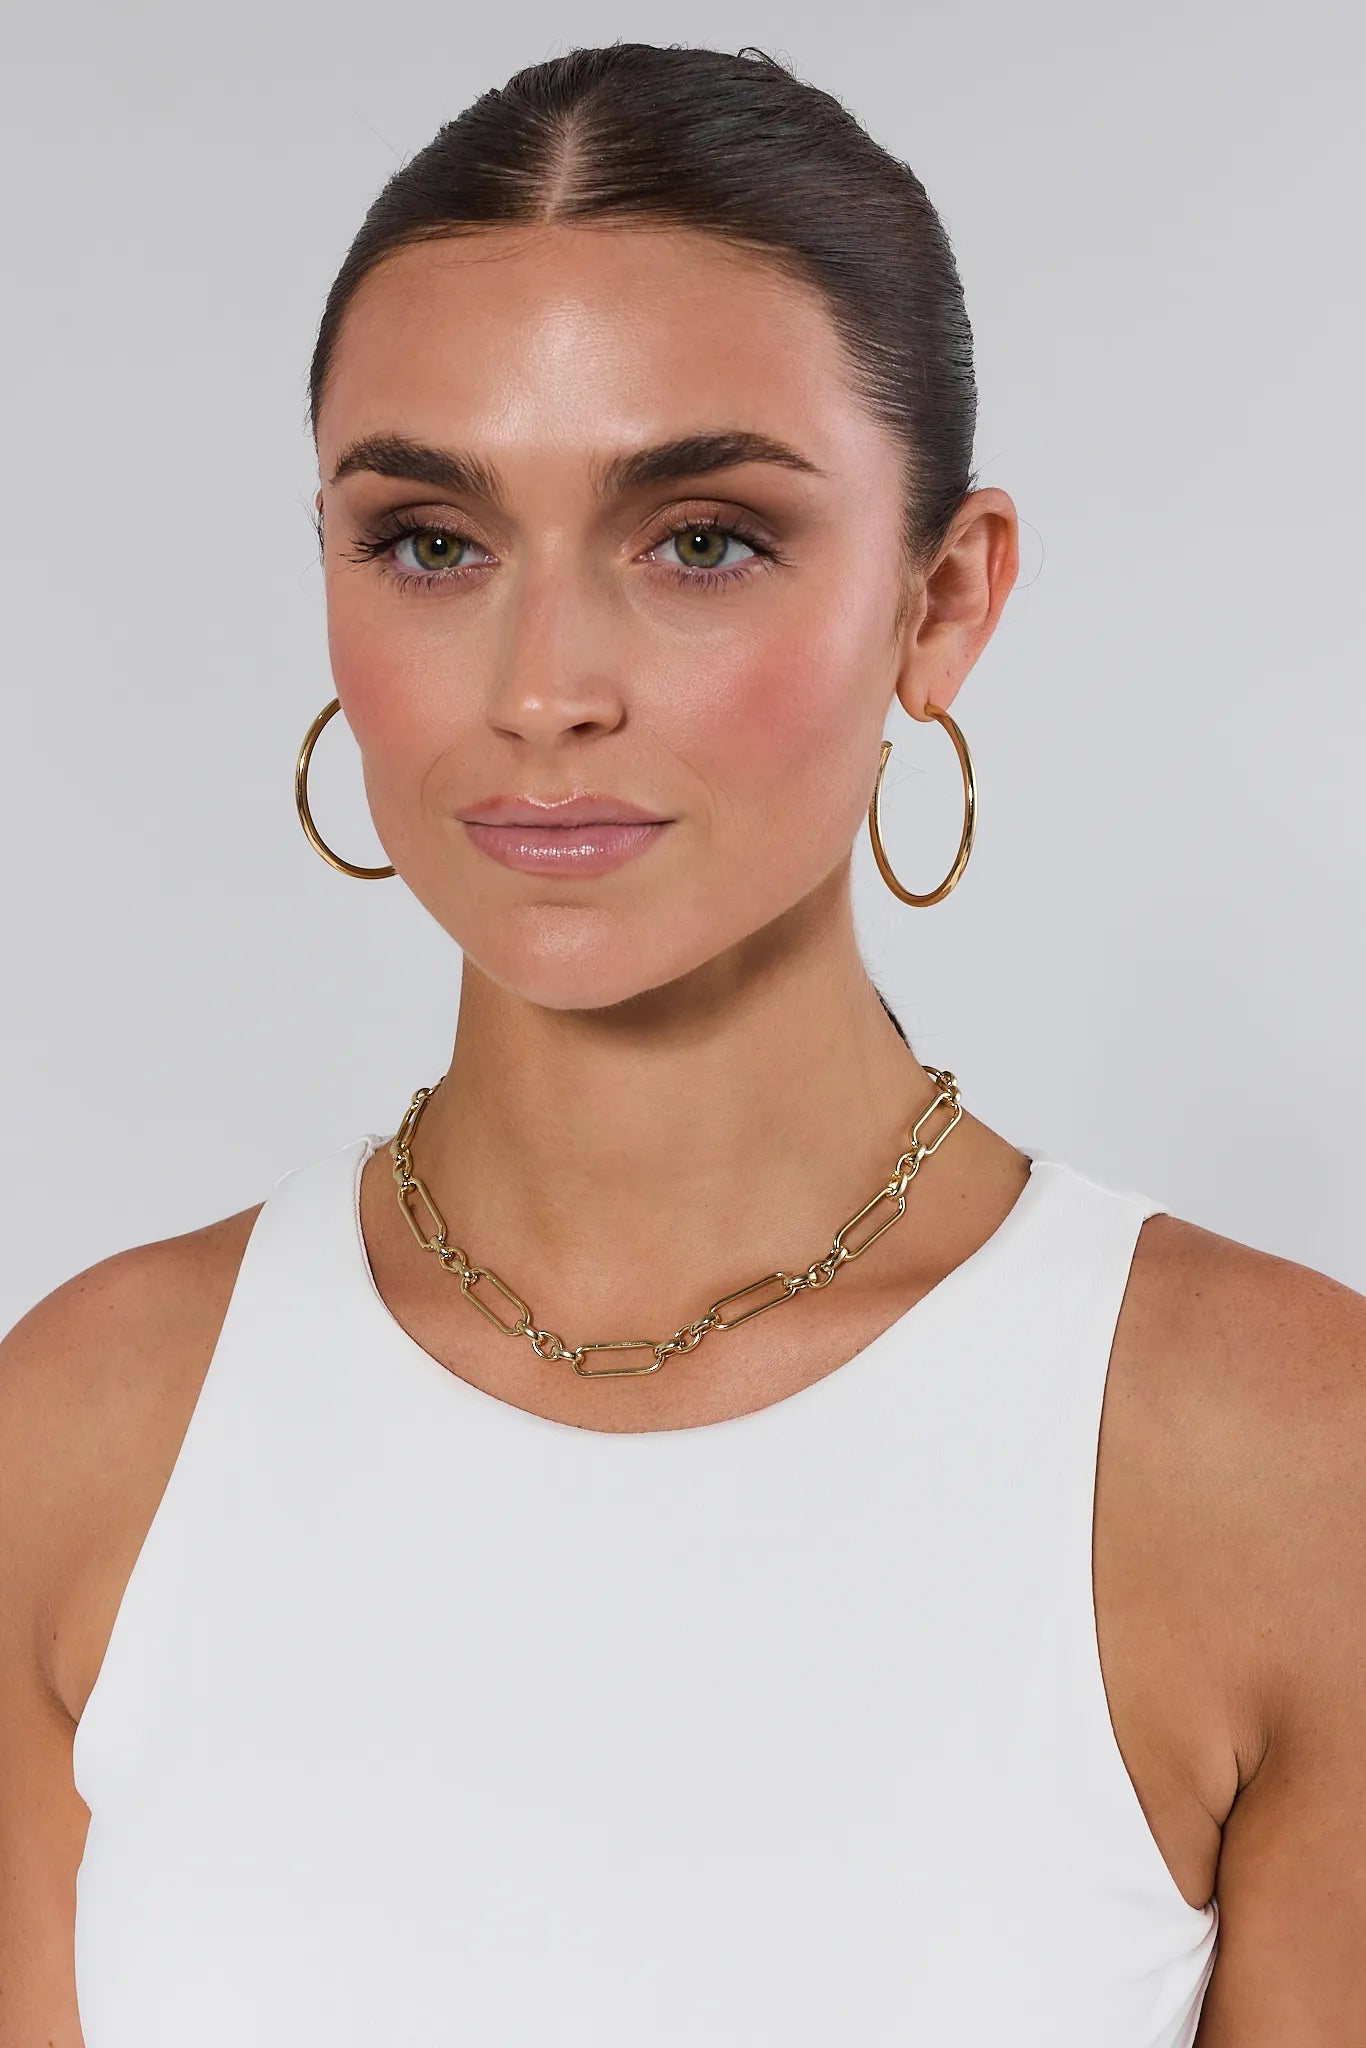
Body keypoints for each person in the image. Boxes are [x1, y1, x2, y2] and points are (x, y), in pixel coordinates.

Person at [2, 38, 1363, 2048]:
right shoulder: (85, 1427)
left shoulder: (1281, 1458)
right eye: (431, 541)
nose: (544, 685)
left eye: (701, 538)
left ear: (941, 600)